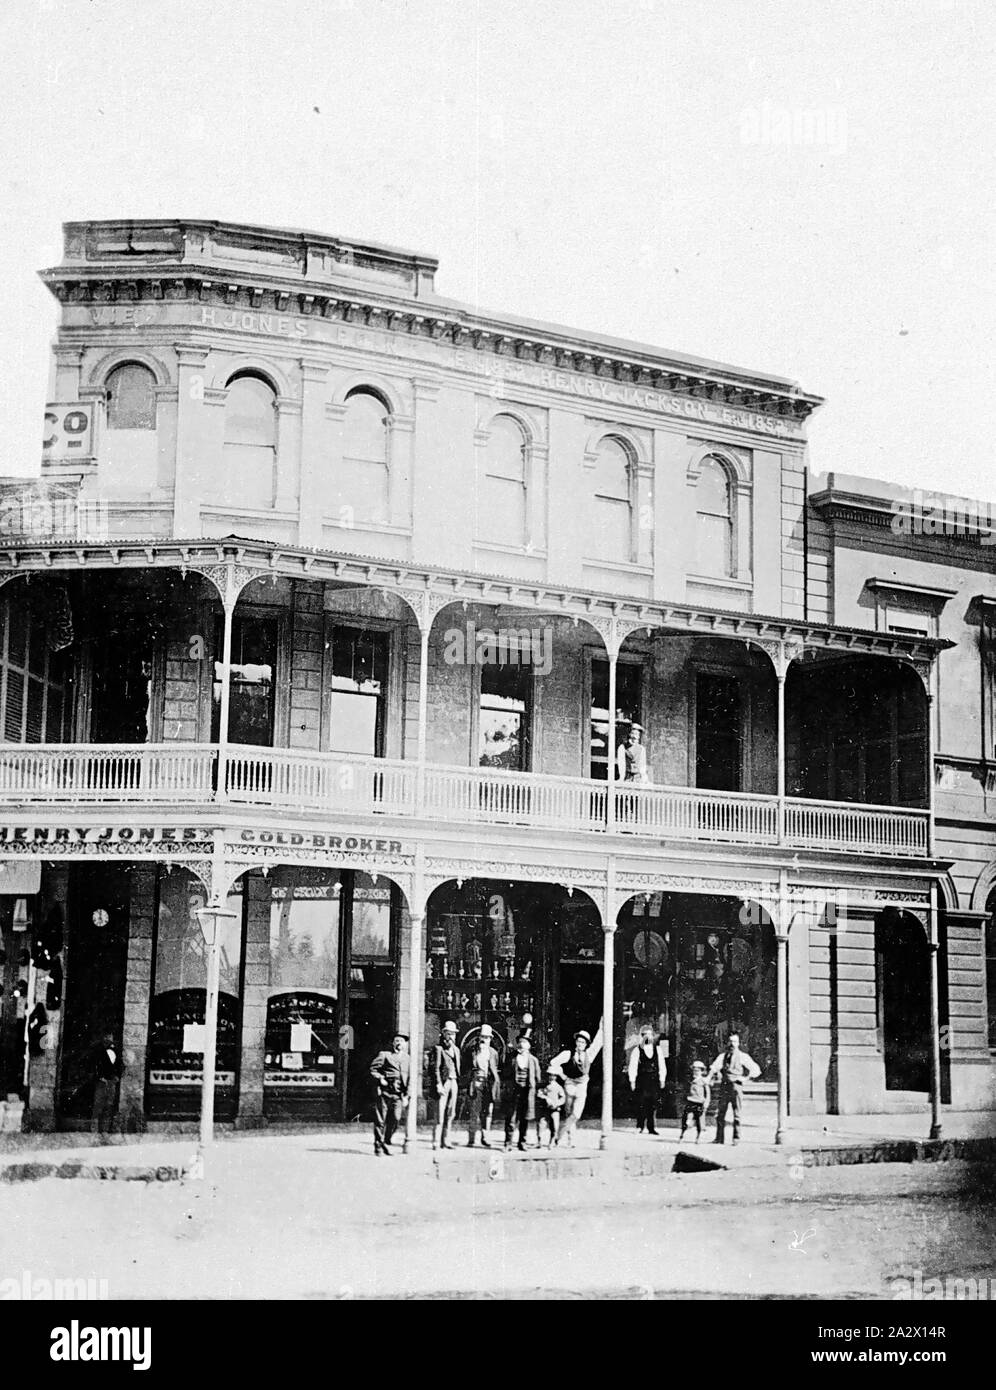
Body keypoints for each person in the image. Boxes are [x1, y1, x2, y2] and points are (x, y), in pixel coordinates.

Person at [549, 1023, 603, 1147]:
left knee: (576, 1114)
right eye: (578, 1041)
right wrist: (563, 1076)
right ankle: (570, 1140)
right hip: (570, 1085)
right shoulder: (568, 1054)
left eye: (583, 1042)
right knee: (569, 1113)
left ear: (586, 1044)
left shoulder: (589, 1054)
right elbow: (553, 1063)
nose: (580, 1044)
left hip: (582, 1086)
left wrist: (602, 1024)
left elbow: (599, 1041)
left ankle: (558, 1135)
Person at [707, 1032, 761, 1145]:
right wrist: (708, 1078)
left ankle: (736, 1138)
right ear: (727, 1043)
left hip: (736, 1087)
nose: (732, 1044)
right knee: (720, 1113)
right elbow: (714, 1067)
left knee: (737, 1114)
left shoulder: (743, 1056)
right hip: (724, 1086)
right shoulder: (723, 1056)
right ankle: (719, 1138)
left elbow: (755, 1069)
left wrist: (745, 1079)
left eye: (735, 1041)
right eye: (730, 1041)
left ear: (738, 1043)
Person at [369, 1032, 410, 1155]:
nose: (399, 1043)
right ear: (393, 1043)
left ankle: (386, 1140)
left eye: (401, 1041)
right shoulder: (385, 1055)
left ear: (405, 1044)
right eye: (396, 1041)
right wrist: (380, 1078)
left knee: (396, 1119)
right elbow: (373, 1069)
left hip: (398, 1095)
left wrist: (407, 1095)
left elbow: (410, 1078)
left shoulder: (407, 1059)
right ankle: (378, 1146)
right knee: (380, 1120)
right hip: (385, 1092)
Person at [502, 1032, 542, 1151]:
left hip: (527, 1092)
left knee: (525, 1118)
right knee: (511, 1118)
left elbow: (537, 1078)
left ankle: (522, 1142)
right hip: (514, 1092)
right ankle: (508, 1143)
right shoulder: (511, 1058)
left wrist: (535, 1089)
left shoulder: (533, 1060)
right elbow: (505, 1074)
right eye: (520, 1042)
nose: (521, 1045)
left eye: (524, 1042)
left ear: (529, 1045)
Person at [627, 1023, 668, 1134]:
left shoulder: (658, 1049)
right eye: (645, 1035)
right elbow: (633, 1066)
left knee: (653, 1103)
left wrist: (662, 1079)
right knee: (641, 1103)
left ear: (652, 1036)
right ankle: (640, 1126)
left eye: (650, 1035)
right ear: (642, 1036)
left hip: (654, 1080)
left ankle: (651, 1127)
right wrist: (632, 1080)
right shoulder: (637, 1050)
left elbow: (662, 1065)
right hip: (642, 1080)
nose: (647, 1037)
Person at [465, 1023, 501, 1147]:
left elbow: (495, 1069)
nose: (483, 1040)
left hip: (488, 1084)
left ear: (490, 1039)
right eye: (482, 1037)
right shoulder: (473, 1051)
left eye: (486, 1037)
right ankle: (471, 1138)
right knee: (474, 1111)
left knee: (487, 1112)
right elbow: (467, 1067)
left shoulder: (493, 1053)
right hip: (476, 1082)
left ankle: (485, 1137)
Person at [430, 1020, 461, 1150]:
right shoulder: (438, 1049)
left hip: (454, 1081)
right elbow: (435, 1069)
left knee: (450, 1112)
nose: (450, 1037)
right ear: (443, 1034)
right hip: (443, 1082)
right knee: (439, 1114)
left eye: (453, 1034)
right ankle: (436, 1141)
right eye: (448, 1034)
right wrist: (438, 1084)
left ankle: (446, 1140)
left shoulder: (456, 1050)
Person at [91, 1032, 122, 1139]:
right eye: (106, 1037)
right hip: (101, 1082)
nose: (108, 1039)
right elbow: (92, 1065)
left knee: (109, 1105)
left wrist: (117, 1076)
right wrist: (100, 1077)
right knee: (98, 1105)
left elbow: (119, 1064)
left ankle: (105, 1129)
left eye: (110, 1037)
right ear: (102, 1037)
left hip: (111, 1082)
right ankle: (95, 1129)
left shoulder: (115, 1050)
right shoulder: (97, 1050)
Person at [679, 1060, 712, 1144]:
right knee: (686, 1118)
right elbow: (686, 1091)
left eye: (697, 1071)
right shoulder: (690, 1080)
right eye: (694, 1070)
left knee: (699, 1120)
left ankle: (698, 1136)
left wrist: (706, 1102)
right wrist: (684, 1099)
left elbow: (707, 1093)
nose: (695, 1072)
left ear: (701, 1071)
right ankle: (682, 1134)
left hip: (699, 1102)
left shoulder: (703, 1081)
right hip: (690, 1101)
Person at [536, 1065, 566, 1148]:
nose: (551, 1077)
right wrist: (545, 1098)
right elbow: (539, 1093)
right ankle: (539, 1141)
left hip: (555, 1109)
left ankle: (553, 1141)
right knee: (541, 1124)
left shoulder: (558, 1087)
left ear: (556, 1077)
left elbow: (563, 1098)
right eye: (549, 1075)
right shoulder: (544, 1085)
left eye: (553, 1075)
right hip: (545, 1108)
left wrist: (557, 1103)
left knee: (554, 1126)